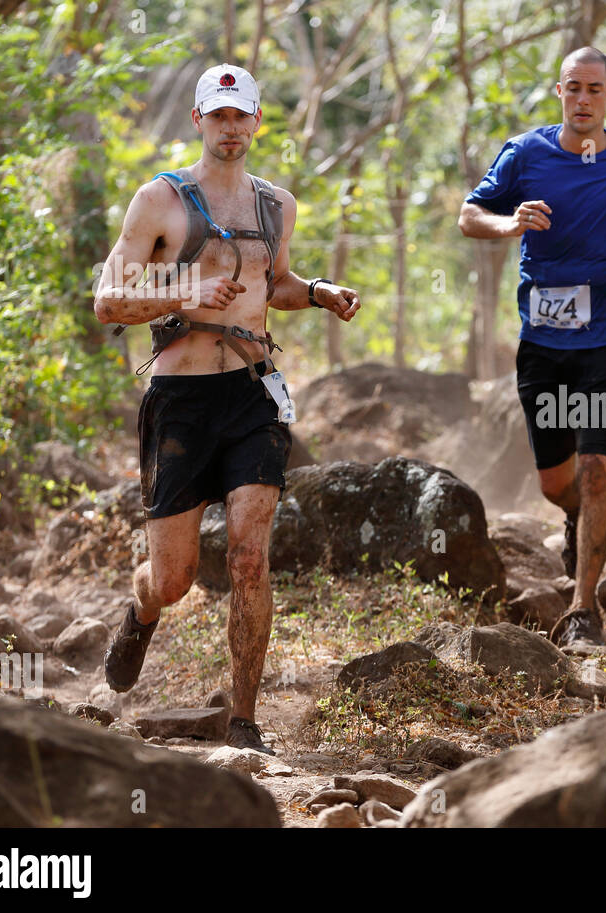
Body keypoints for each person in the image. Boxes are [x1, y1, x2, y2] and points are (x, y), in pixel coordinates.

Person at [93, 64, 361, 753]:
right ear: (198, 121)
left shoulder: (276, 205)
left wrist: (322, 291)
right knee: (175, 579)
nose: (232, 129)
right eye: (220, 117)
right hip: (181, 402)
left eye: (243, 116)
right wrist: (185, 295)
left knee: (248, 554)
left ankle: (243, 720)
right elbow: (108, 303)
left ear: (257, 122)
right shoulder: (159, 201)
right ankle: (142, 607)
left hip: (250, 393)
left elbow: (275, 285)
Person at [458, 47, 606, 651]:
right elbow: (469, 216)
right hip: (545, 338)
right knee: (558, 483)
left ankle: (584, 608)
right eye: (573, 88)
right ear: (559, 91)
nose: (583, 100)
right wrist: (511, 223)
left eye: (594, 89)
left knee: (598, 465)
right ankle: (577, 522)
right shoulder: (526, 153)